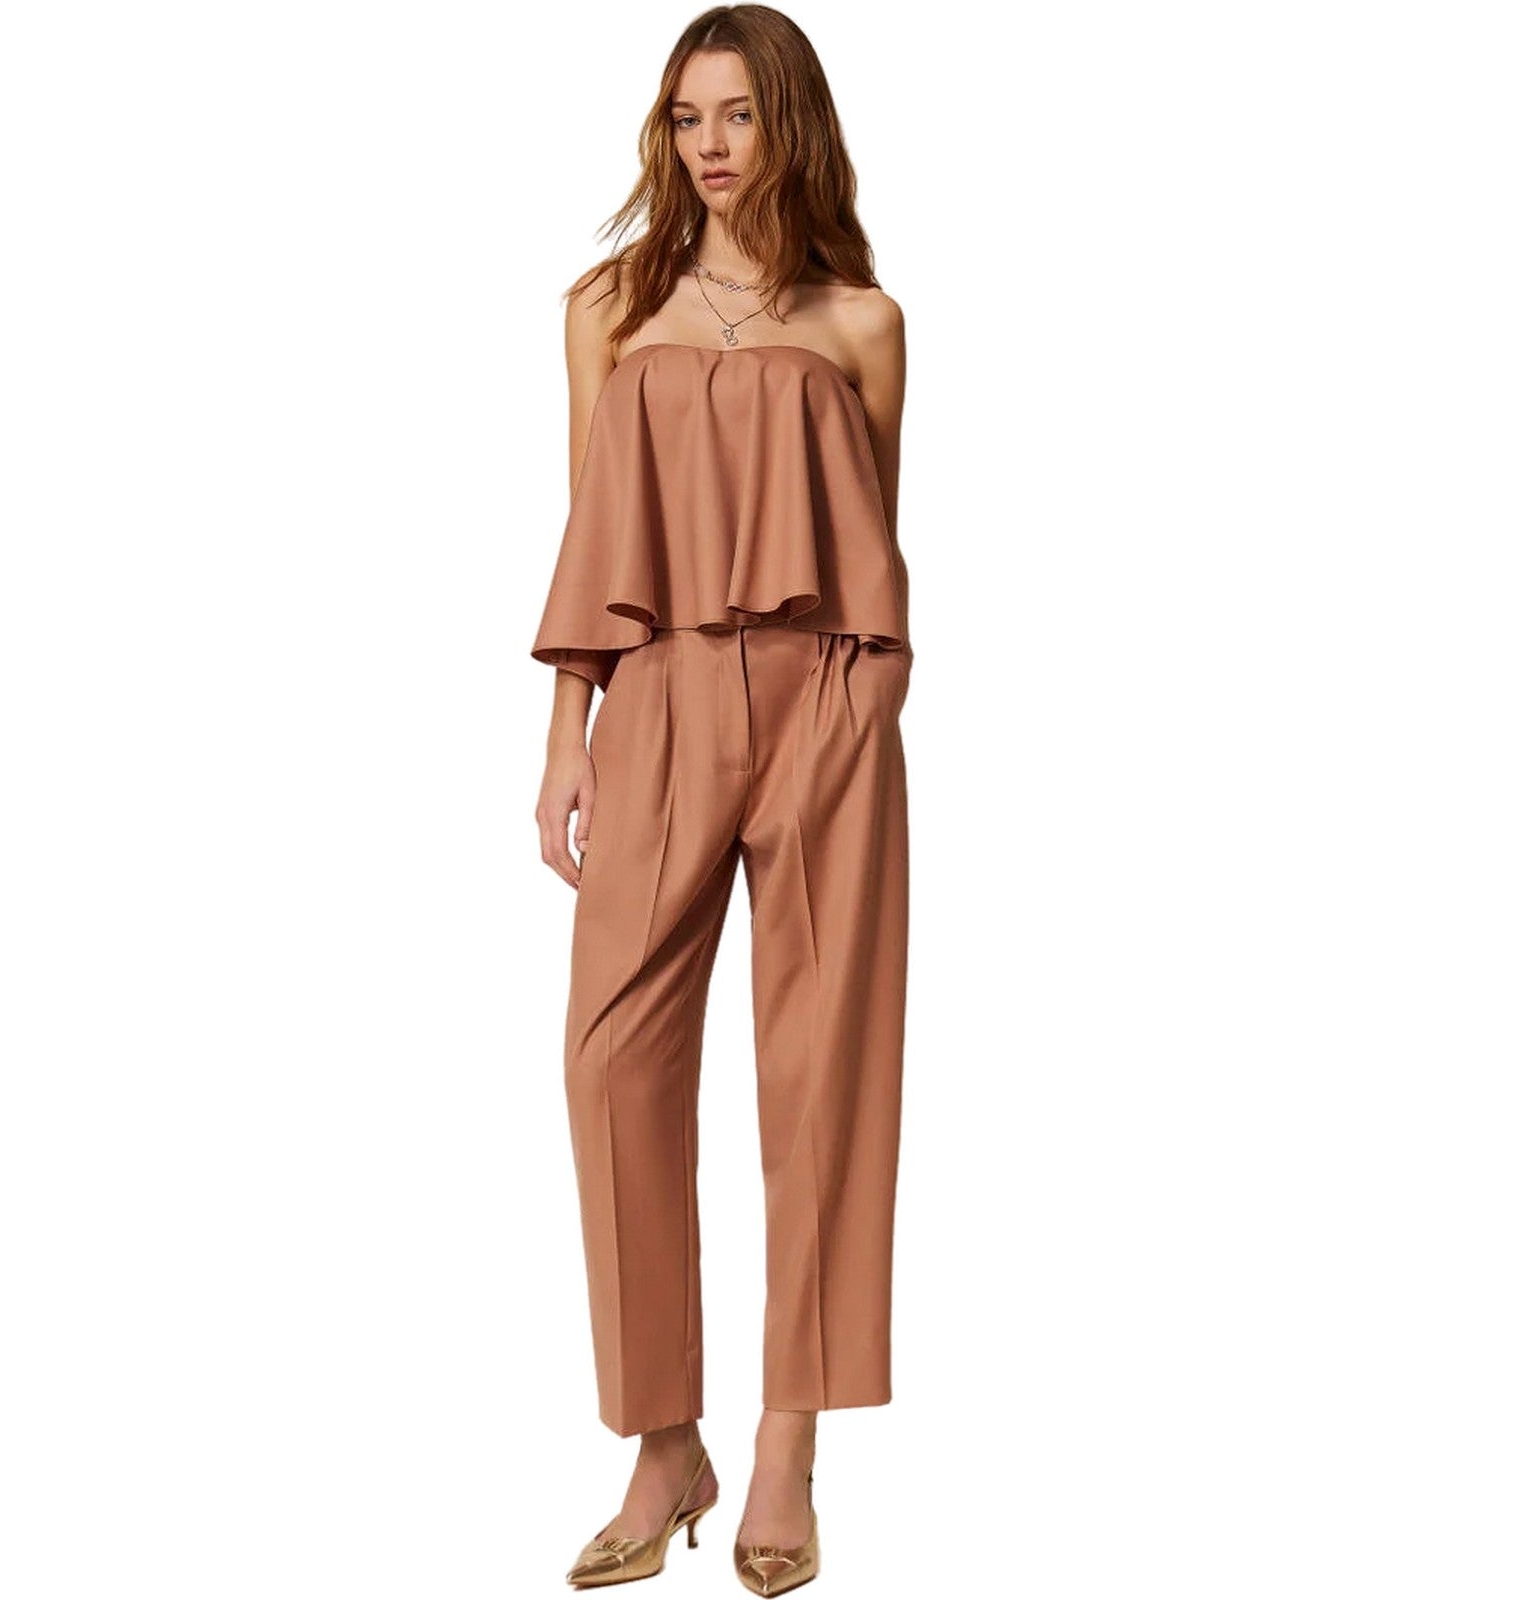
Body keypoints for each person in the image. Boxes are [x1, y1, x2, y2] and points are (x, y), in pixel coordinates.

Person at [531, 8, 912, 1593]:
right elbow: (593, 525)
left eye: (740, 114)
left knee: (822, 1073)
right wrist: (570, 731)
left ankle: (785, 1442)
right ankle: (661, 1435)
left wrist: (864, 698)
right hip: (660, 691)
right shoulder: (607, 308)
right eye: (688, 116)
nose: (710, 144)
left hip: (826, 697)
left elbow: (872, 531)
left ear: (788, 125)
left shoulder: (862, 323)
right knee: (612, 1057)